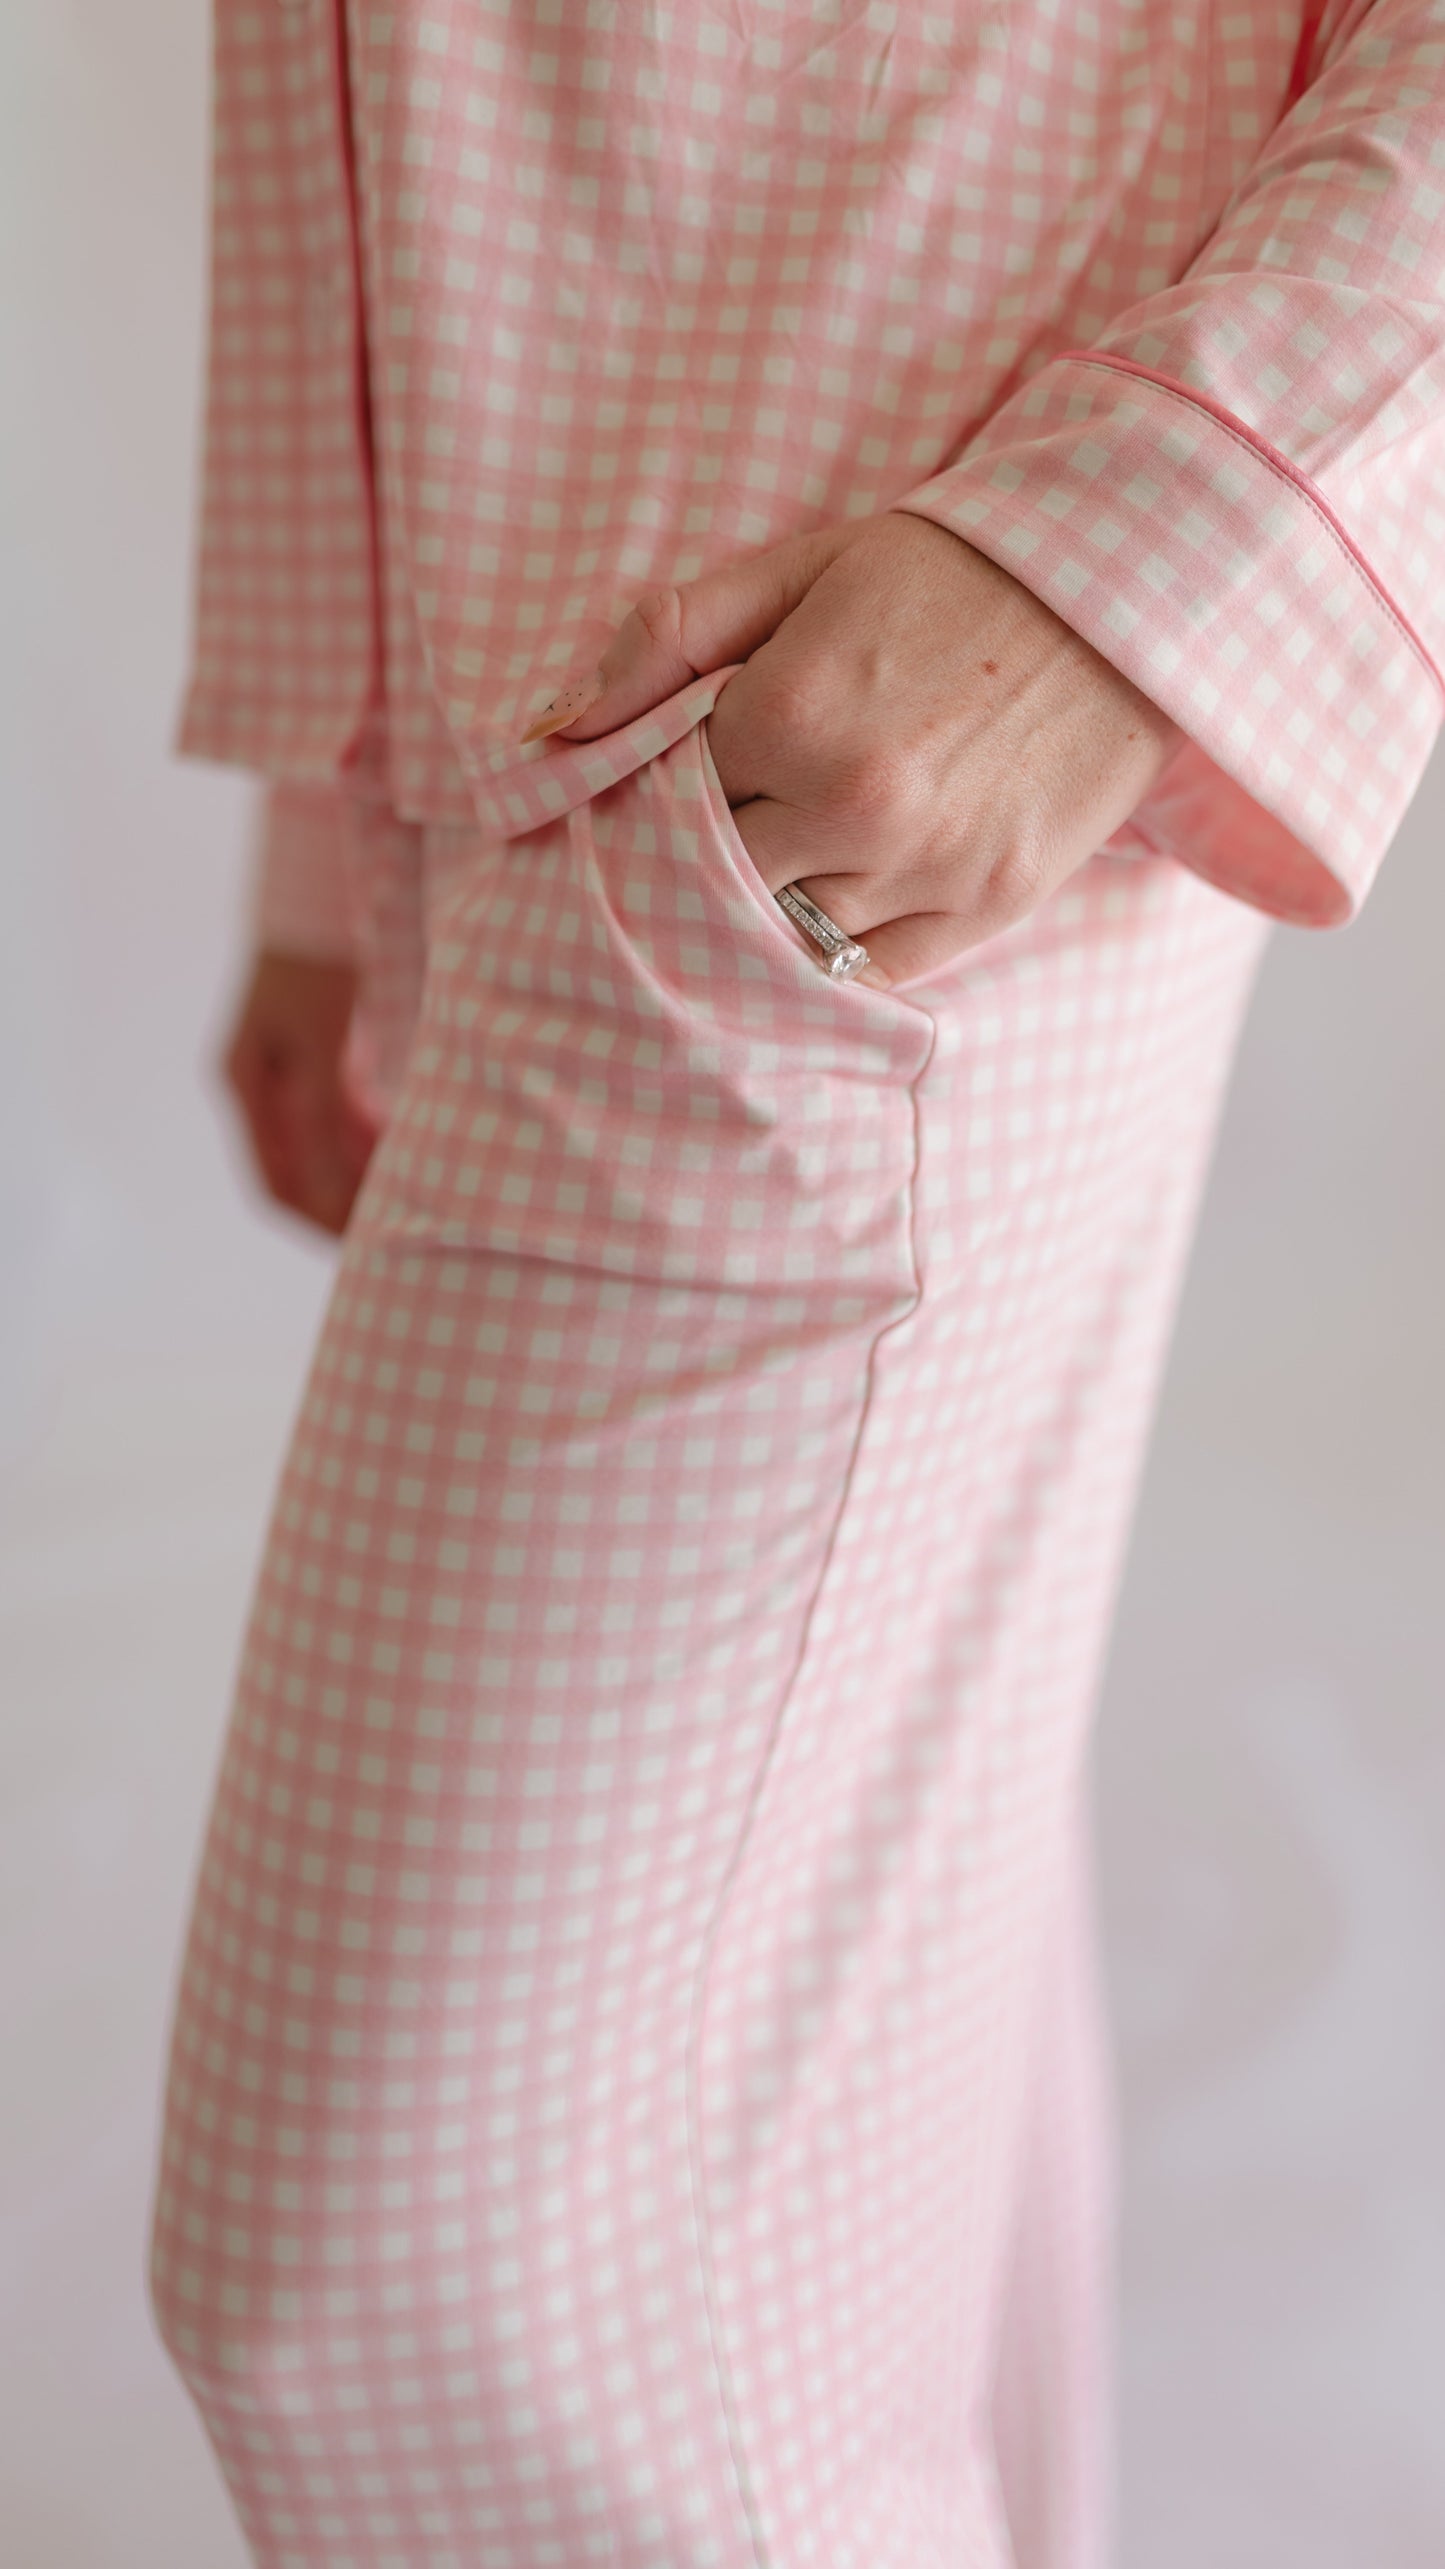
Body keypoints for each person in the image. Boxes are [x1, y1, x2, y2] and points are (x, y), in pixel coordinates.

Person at [147, 5, 1445, 2564]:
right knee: (851, 2023)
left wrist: (1143, 554)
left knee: (409, 2281)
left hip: (849, 687)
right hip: (593, 657)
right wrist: (342, 785)